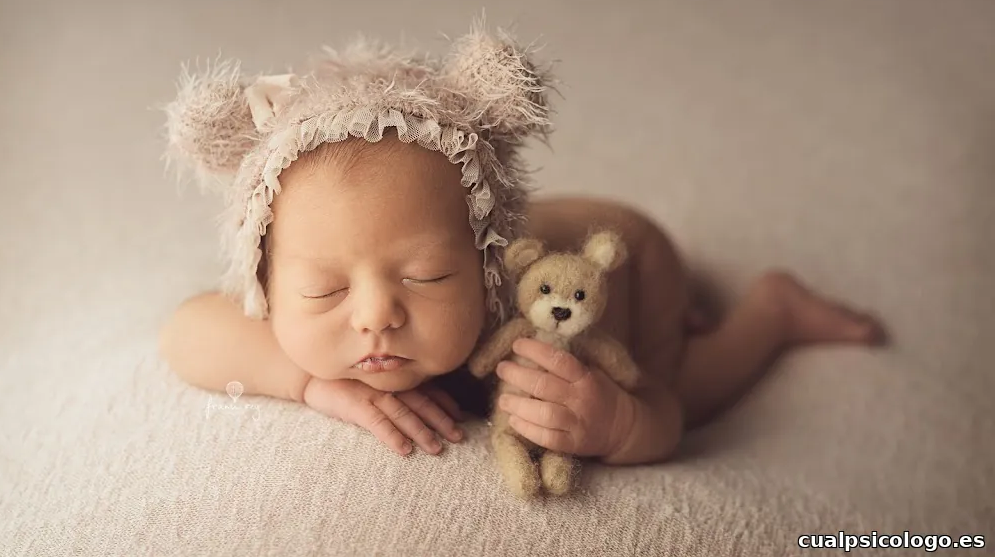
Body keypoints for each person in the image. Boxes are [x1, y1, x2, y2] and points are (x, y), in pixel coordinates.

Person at [158, 23, 885, 466]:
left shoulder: (516, 351)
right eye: (324, 289)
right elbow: (185, 334)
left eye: (427, 277)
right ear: (266, 284)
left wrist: (619, 423)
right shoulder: (301, 323)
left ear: (488, 275)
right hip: (549, 228)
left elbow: (661, 416)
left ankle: (774, 310)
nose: (375, 316)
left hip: (628, 261)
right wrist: (312, 383)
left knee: (693, 393)